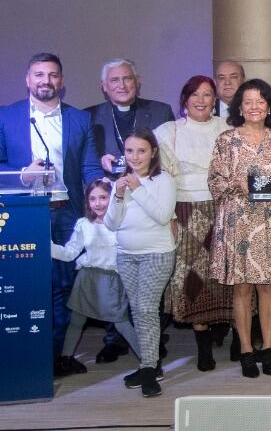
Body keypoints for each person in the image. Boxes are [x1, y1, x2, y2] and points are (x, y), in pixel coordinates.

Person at [0, 52, 105, 376]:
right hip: (23, 212)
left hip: (65, 211)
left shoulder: (79, 119)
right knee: (26, 284)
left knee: (64, 287)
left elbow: (90, 167)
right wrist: (23, 174)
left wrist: (103, 200)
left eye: (52, 75)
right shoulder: (5, 116)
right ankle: (26, 353)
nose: (45, 81)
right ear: (27, 79)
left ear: (61, 82)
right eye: (39, 74)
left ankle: (56, 356)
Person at [208, 79, 271, 378]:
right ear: (239, 107)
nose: (254, 107)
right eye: (248, 102)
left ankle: (269, 348)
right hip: (238, 221)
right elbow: (215, 182)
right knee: (242, 289)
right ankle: (246, 350)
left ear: (269, 106)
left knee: (268, 288)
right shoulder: (226, 140)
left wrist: (270, 185)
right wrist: (239, 184)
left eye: (260, 101)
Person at [152, 75, 233, 372]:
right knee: (194, 280)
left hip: (224, 209)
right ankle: (203, 349)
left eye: (208, 94)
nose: (201, 100)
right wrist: (171, 217)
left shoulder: (228, 129)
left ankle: (230, 335)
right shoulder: (168, 131)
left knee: (225, 276)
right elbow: (160, 178)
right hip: (185, 211)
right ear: (184, 99)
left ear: (216, 100)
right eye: (195, 94)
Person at [103, 129, 177, 397]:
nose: (135, 157)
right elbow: (111, 223)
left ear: (153, 152)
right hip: (126, 255)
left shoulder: (163, 180)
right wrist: (120, 195)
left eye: (141, 151)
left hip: (156, 253)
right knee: (138, 311)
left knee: (146, 309)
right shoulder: (119, 182)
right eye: (130, 151)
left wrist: (138, 188)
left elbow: (162, 215)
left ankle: (149, 367)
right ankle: (151, 365)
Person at [52, 180, 132, 375]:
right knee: (76, 321)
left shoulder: (122, 222)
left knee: (121, 323)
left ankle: (149, 362)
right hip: (87, 278)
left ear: (112, 198)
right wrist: (47, 246)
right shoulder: (83, 224)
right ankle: (65, 359)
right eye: (93, 199)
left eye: (103, 197)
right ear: (87, 202)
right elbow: (70, 253)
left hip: (111, 280)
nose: (98, 203)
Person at [87, 58, 175, 176]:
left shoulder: (161, 113)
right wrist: (100, 161)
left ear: (137, 82)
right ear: (104, 86)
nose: (122, 86)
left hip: (150, 187)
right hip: (108, 188)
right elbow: (83, 160)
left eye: (127, 79)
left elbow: (171, 157)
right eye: (114, 80)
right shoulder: (90, 117)